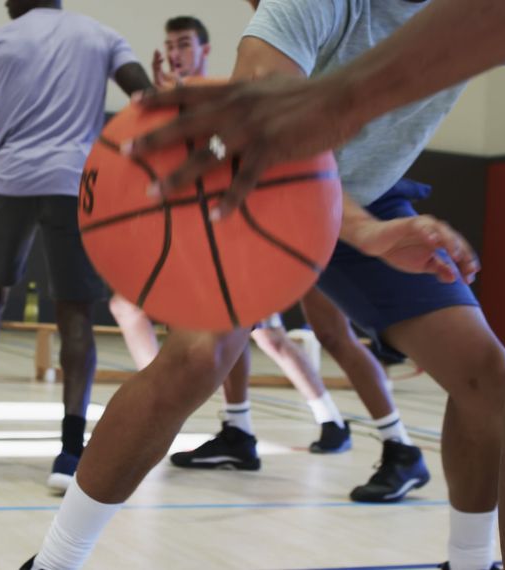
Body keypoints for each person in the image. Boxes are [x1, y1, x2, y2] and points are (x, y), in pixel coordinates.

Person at [129, 1, 505, 568]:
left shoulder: (488, 14)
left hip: (372, 204)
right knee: (198, 358)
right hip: (271, 200)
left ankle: (456, 543)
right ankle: (60, 552)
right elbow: (255, 132)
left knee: (486, 377)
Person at [111, 14, 429, 499]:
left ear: (204, 48)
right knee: (236, 322)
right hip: (269, 214)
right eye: (169, 44)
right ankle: (243, 431)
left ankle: (397, 445)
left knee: (326, 334)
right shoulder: (204, 87)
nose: (174, 52)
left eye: (183, 43)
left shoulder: (253, 70)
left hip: (318, 202)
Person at [0, 0, 151, 492]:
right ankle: (70, 453)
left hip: (8, 182)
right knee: (74, 313)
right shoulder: (102, 35)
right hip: (76, 184)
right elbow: (147, 98)